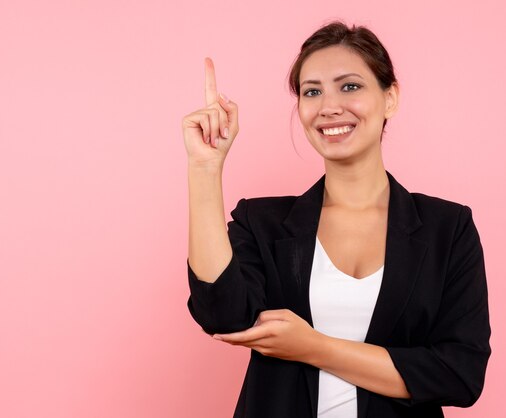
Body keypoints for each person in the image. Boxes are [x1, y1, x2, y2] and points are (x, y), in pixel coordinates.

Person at [182, 21, 491, 418]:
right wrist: (204, 169)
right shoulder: (262, 221)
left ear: (390, 97)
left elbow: (460, 375)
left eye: (349, 86)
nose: (328, 106)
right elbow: (220, 315)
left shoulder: (448, 228)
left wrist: (314, 347)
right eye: (312, 91)